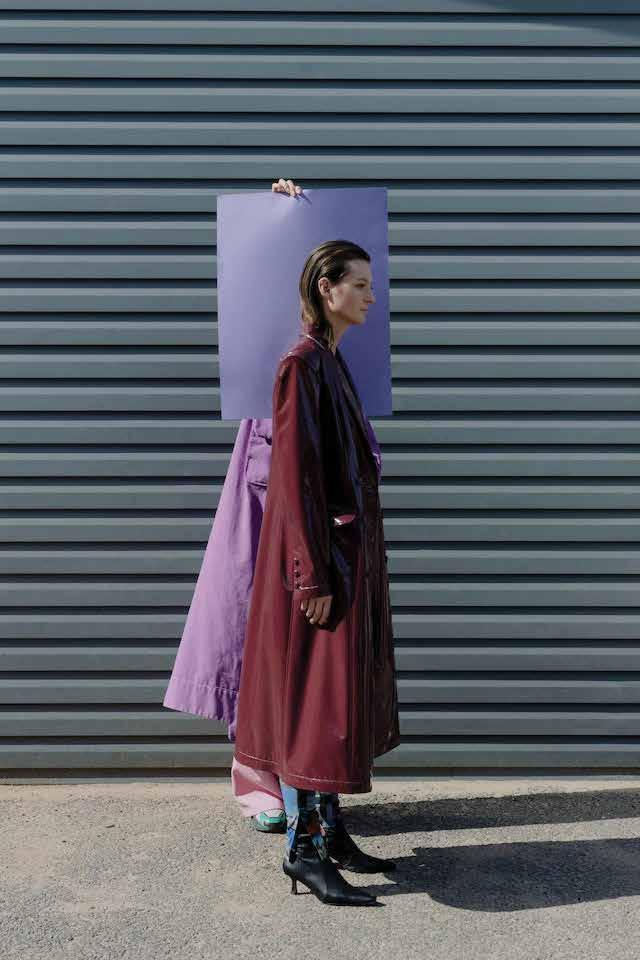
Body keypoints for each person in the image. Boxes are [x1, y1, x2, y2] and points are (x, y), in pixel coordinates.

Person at [233, 199, 401, 906]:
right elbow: (296, 478)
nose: (370, 296)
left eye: (371, 284)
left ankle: (330, 832)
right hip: (322, 567)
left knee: (334, 708)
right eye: (359, 284)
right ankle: (303, 852)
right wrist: (310, 579)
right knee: (310, 711)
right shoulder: (301, 366)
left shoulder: (331, 361)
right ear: (326, 289)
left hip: (345, 560)